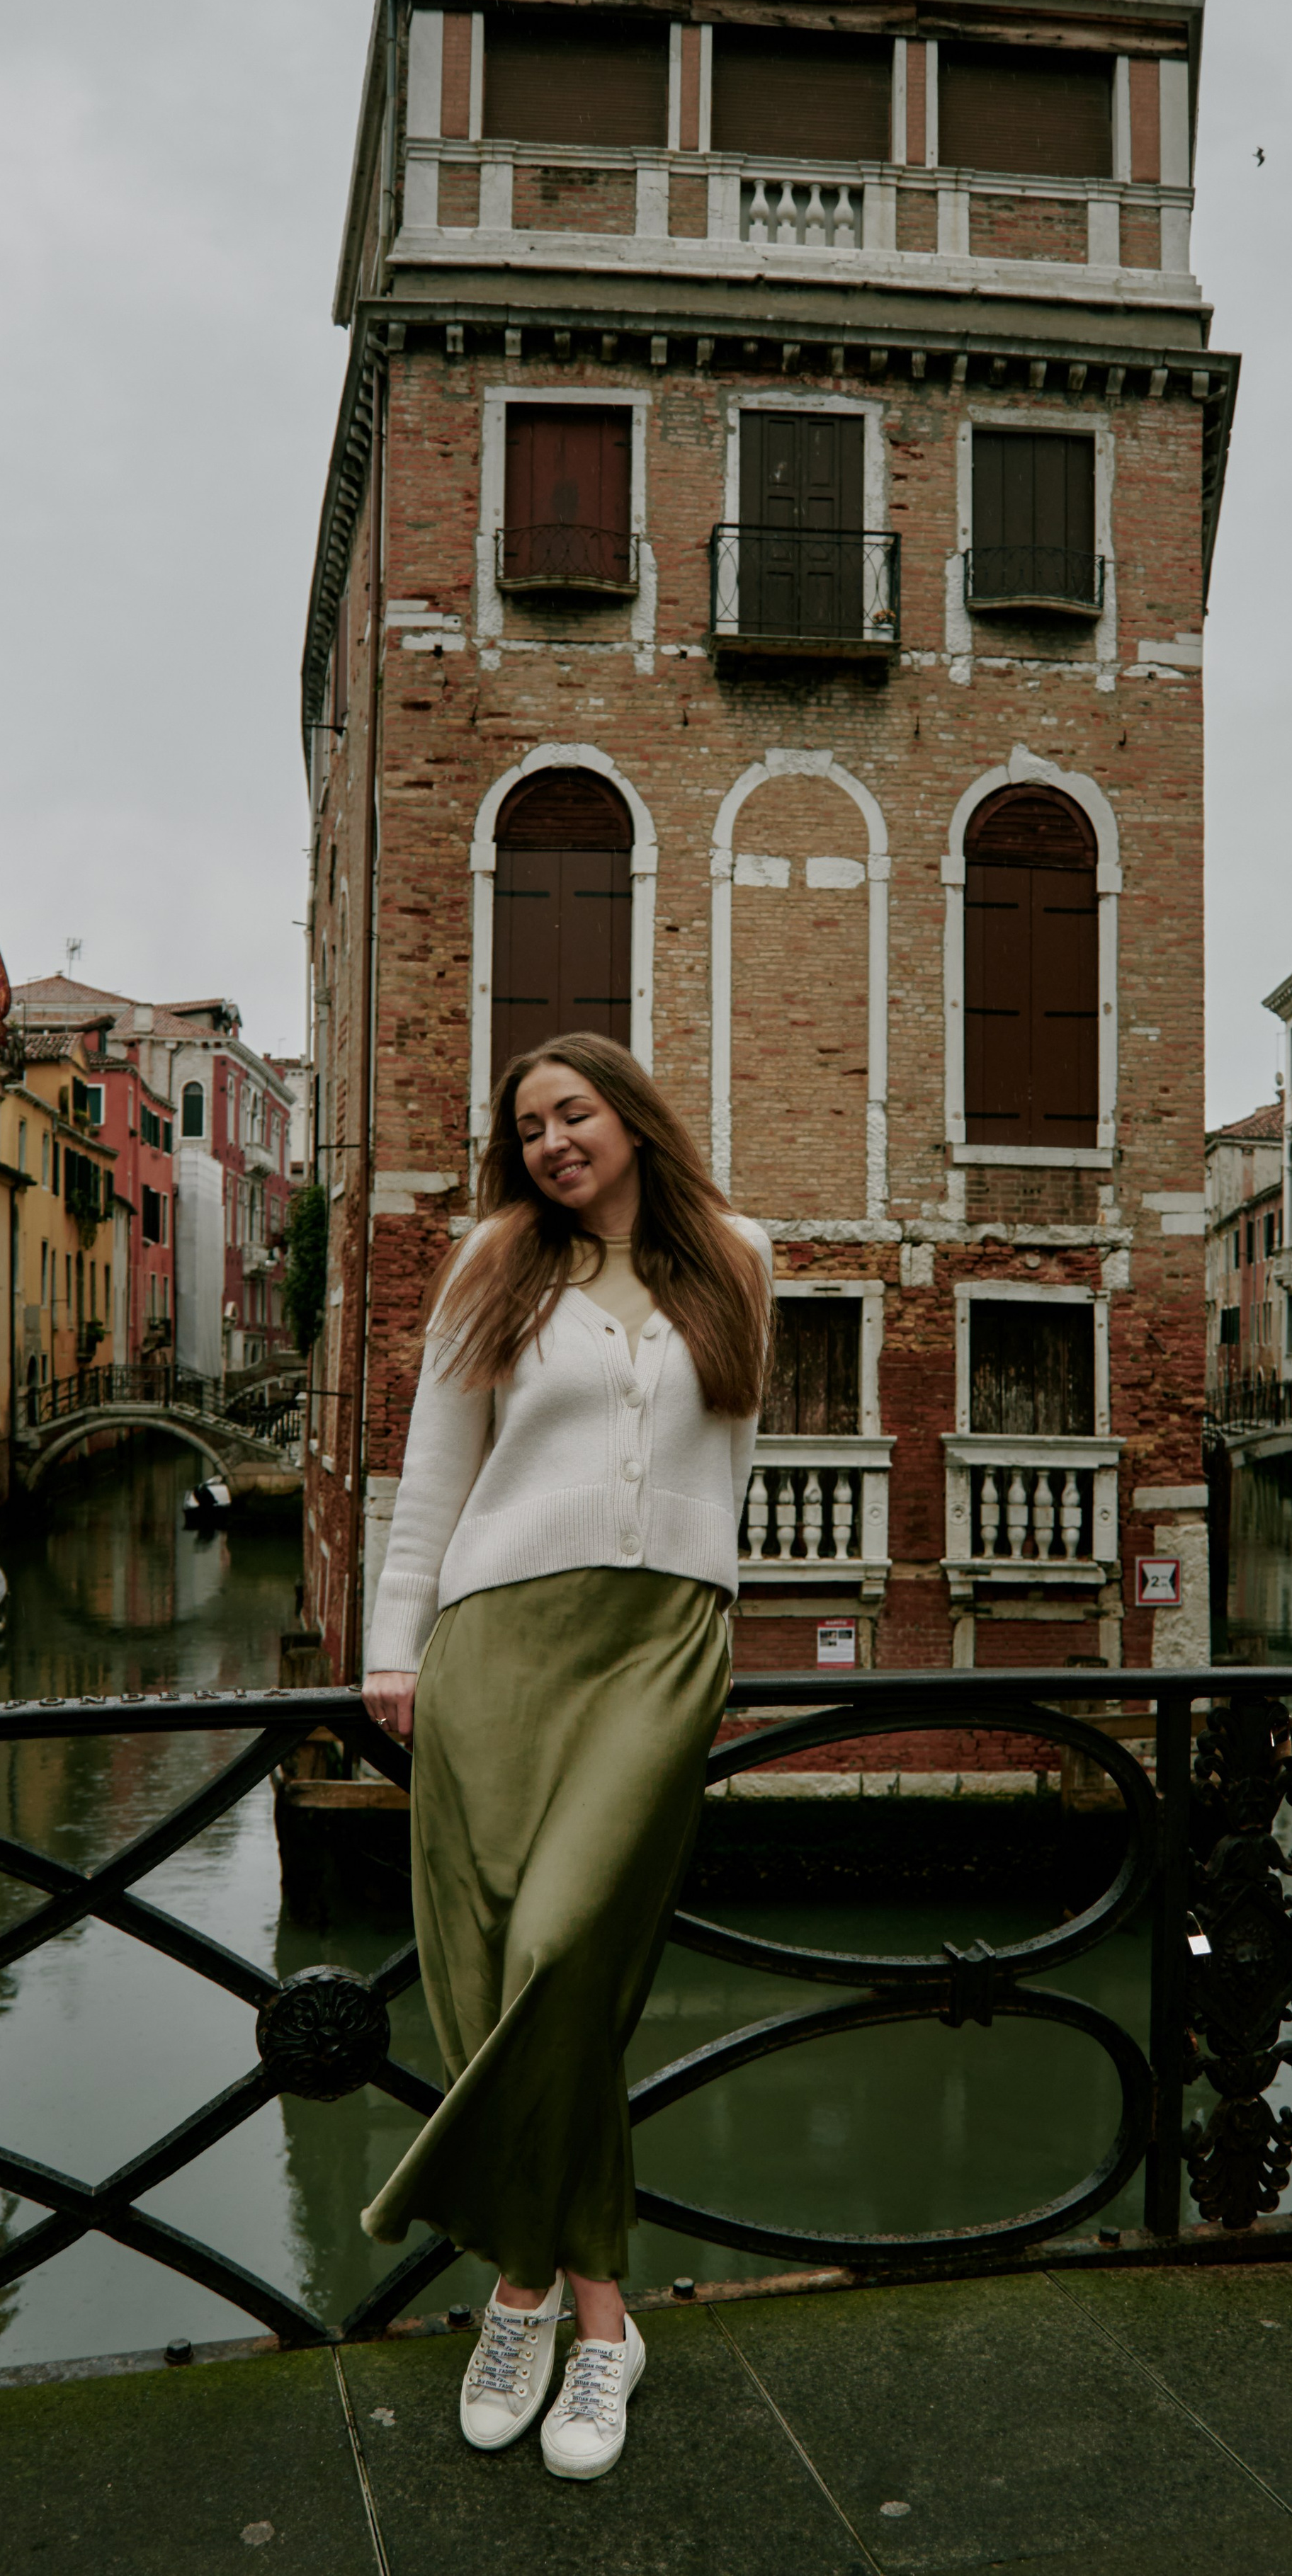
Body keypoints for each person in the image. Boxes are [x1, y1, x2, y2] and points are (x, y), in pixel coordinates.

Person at [360, 1032, 771, 2480]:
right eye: (528, 1126)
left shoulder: (737, 1257)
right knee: (517, 1984)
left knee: (560, 1949)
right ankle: (576, 2318)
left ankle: (519, 2282)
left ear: (632, 1119)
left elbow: (735, 1456)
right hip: (497, 1645)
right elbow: (434, 1469)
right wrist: (394, 1645)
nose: (550, 1142)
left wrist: (718, 1605)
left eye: (573, 1113)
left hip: (659, 1643)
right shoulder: (493, 1262)